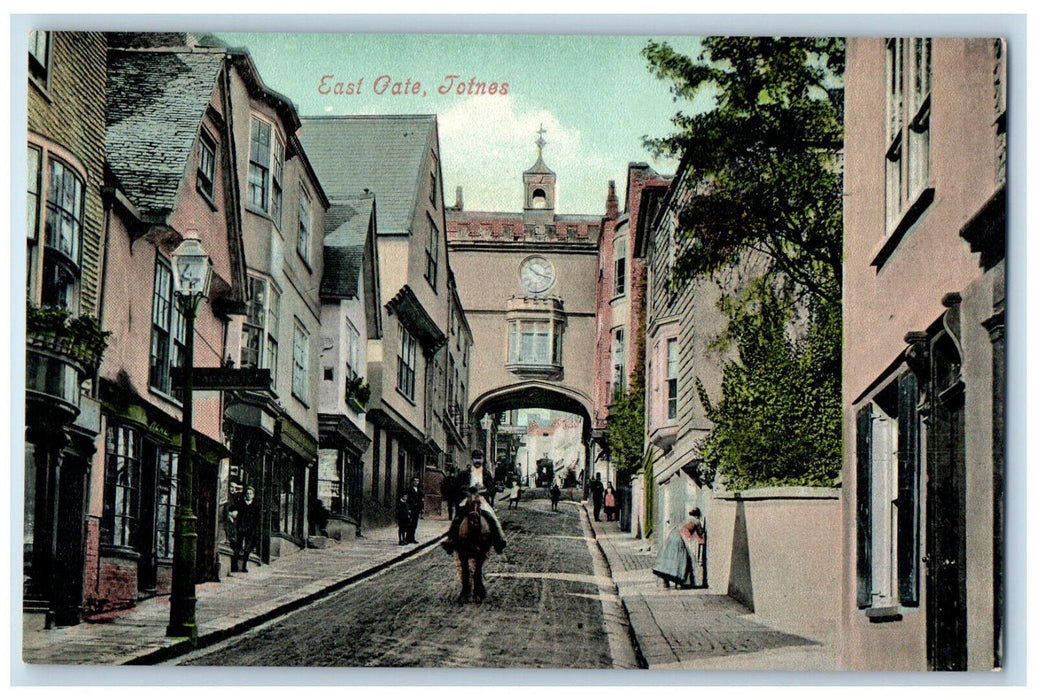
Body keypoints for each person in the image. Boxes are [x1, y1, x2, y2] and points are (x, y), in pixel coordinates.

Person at [444, 449, 506, 554]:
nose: (478, 461)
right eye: (476, 458)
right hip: (468, 498)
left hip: (481, 500)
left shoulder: (486, 474)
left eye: (480, 458)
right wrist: (468, 489)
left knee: (492, 517)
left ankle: (499, 541)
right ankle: (451, 541)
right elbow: (458, 487)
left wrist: (484, 490)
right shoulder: (465, 474)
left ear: (483, 459)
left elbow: (492, 489)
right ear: (472, 459)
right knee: (458, 518)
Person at [652, 508, 706, 589]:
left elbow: (694, 533)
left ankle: (665, 582)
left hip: (672, 536)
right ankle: (682, 581)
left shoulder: (688, 519)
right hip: (678, 538)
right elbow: (686, 530)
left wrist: (697, 538)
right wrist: (691, 538)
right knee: (681, 560)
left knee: (671, 558)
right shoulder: (696, 521)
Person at [231, 485, 257, 573]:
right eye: (248, 493)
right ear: (245, 495)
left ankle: (244, 566)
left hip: (250, 529)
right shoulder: (241, 504)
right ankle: (234, 566)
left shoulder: (255, 506)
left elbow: (257, 519)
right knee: (238, 547)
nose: (249, 495)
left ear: (253, 495)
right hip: (241, 528)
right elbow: (233, 510)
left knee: (247, 548)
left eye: (251, 493)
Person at [404, 476, 423, 544]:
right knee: (409, 524)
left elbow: (421, 500)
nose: (416, 482)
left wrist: (421, 509)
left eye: (417, 481)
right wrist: (408, 508)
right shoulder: (409, 489)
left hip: (416, 509)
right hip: (411, 509)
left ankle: (412, 538)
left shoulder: (419, 490)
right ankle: (407, 538)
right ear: (412, 482)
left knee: (415, 524)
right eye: (415, 481)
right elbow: (406, 499)